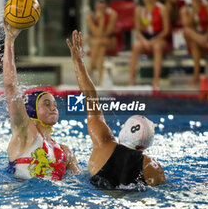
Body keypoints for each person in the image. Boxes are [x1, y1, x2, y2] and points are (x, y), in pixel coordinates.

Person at [66, 30, 165, 189]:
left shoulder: (103, 143)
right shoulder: (152, 167)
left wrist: (78, 62)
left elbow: (90, 97)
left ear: (124, 130)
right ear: (148, 144)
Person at [3, 20, 80, 180]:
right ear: (31, 110)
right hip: (19, 199)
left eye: (54, 104)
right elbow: (10, 86)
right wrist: (9, 40)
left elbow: (82, 183)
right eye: (46, 104)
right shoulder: (23, 133)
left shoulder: (65, 152)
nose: (54, 108)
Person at [129, 0, 170, 89]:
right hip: (145, 37)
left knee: (157, 47)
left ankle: (156, 81)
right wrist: (144, 41)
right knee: (135, 46)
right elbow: (137, 30)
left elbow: (166, 30)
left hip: (159, 37)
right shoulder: (139, 10)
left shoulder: (162, 8)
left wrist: (153, 40)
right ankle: (131, 80)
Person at [86, 0, 118, 86]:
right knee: (100, 47)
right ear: (95, 5)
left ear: (107, 5)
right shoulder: (90, 17)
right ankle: (100, 81)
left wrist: (102, 19)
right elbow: (98, 34)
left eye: (102, 3)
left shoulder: (113, 14)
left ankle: (89, 70)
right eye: (98, 3)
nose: (100, 5)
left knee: (97, 42)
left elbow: (107, 33)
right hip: (98, 44)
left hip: (111, 41)